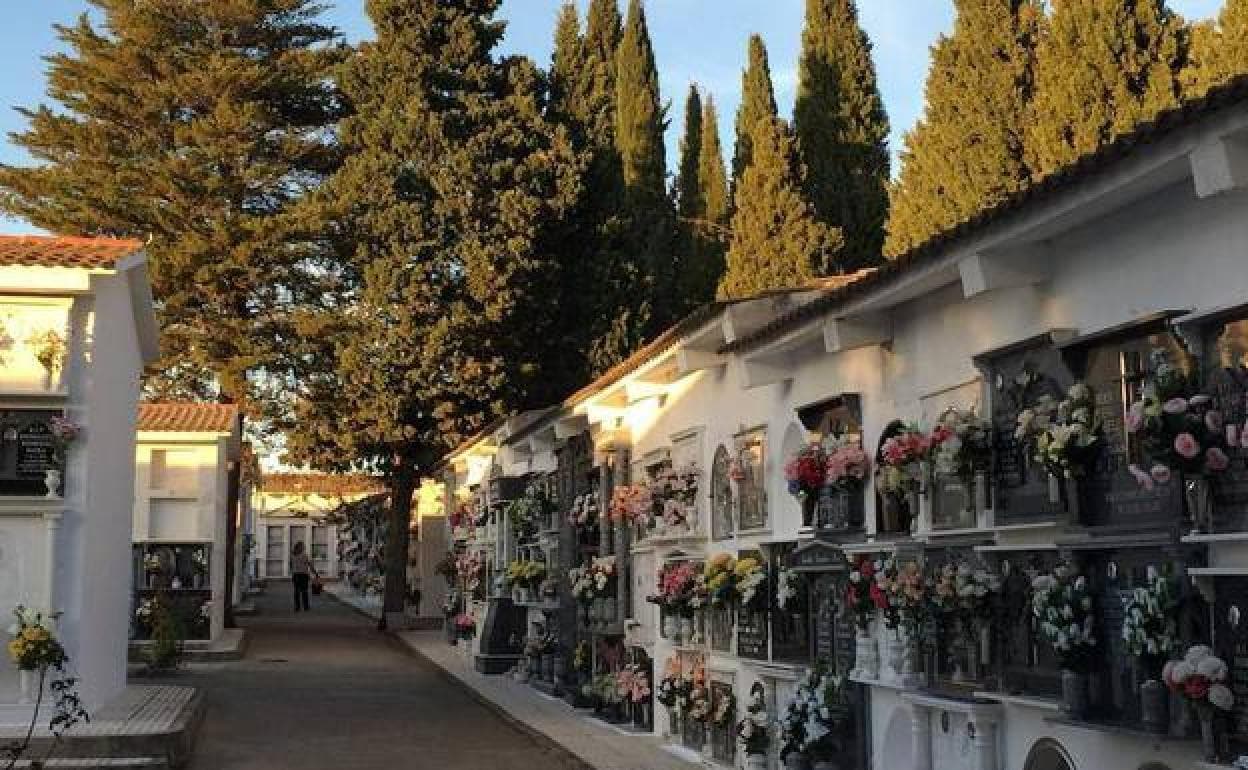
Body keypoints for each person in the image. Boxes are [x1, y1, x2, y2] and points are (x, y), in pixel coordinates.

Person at [289, 541, 318, 612]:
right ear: (300, 547)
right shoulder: (304, 555)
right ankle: (306, 607)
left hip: (295, 575)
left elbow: (291, 565)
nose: (304, 547)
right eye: (303, 546)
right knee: (304, 591)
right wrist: (315, 573)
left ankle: (297, 607)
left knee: (296, 591)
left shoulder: (292, 555)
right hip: (303, 575)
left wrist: (293, 571)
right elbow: (310, 565)